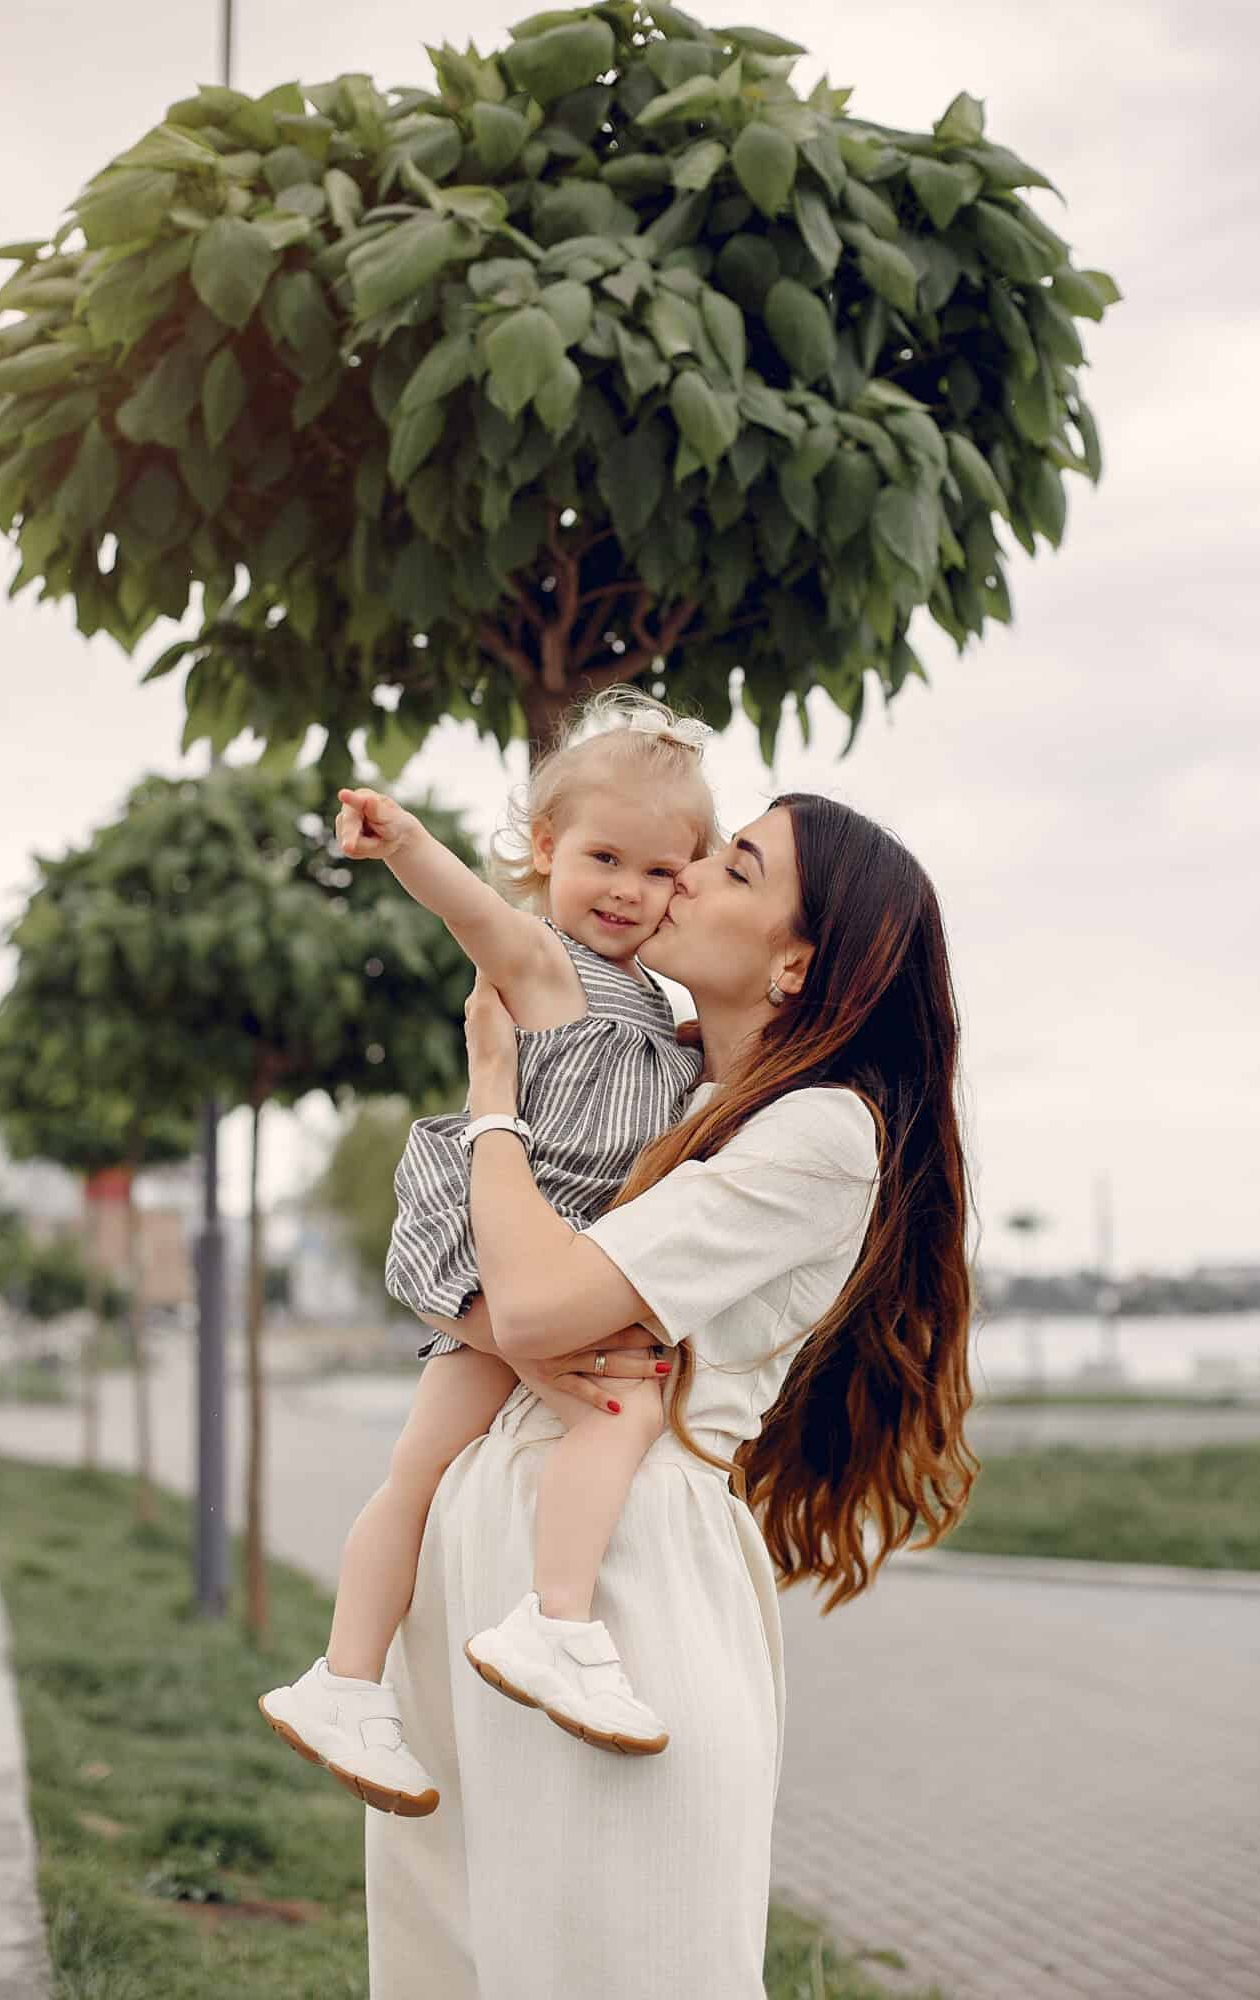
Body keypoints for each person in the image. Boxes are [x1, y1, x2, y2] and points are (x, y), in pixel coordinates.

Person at [364, 791, 980, 2000]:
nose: (686, 874)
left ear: (796, 962)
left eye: (736, 868)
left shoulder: (819, 1130)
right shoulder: (665, 1091)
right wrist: (504, 1311)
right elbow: (449, 1269)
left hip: (621, 1575)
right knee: (456, 1949)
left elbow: (535, 1301)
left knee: (620, 1953)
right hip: (490, 1547)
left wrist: (492, 1096)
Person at [260, 691, 716, 1809]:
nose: (627, 890)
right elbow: (474, 912)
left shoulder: (658, 1007)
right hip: (499, 1249)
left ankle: (344, 1680)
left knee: (416, 1471)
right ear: (547, 849)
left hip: (545, 1266)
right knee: (621, 1410)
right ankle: (556, 1620)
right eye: (603, 857)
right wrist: (406, 840)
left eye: (661, 872)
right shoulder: (546, 966)